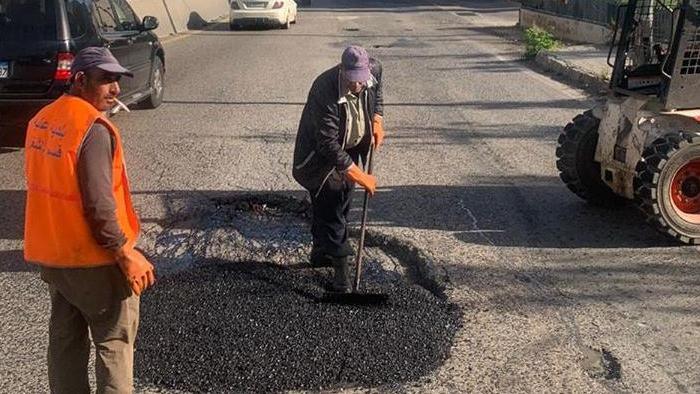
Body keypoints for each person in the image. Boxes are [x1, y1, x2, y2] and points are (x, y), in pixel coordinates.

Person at [24, 47, 155, 394]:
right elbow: (98, 205)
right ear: (80, 80)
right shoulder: (92, 129)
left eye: (117, 80)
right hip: (95, 260)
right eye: (106, 80)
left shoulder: (42, 120)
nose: (115, 89)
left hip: (55, 255)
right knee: (114, 342)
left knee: (65, 341)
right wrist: (125, 254)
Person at [292, 45, 385, 292]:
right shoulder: (324, 88)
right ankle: (342, 279)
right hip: (320, 158)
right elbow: (328, 144)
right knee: (332, 205)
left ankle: (321, 251)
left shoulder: (373, 72)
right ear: (343, 71)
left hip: (349, 148)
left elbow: (378, 90)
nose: (359, 85)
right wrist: (360, 175)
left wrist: (377, 118)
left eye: (362, 79)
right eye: (353, 80)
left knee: (341, 202)